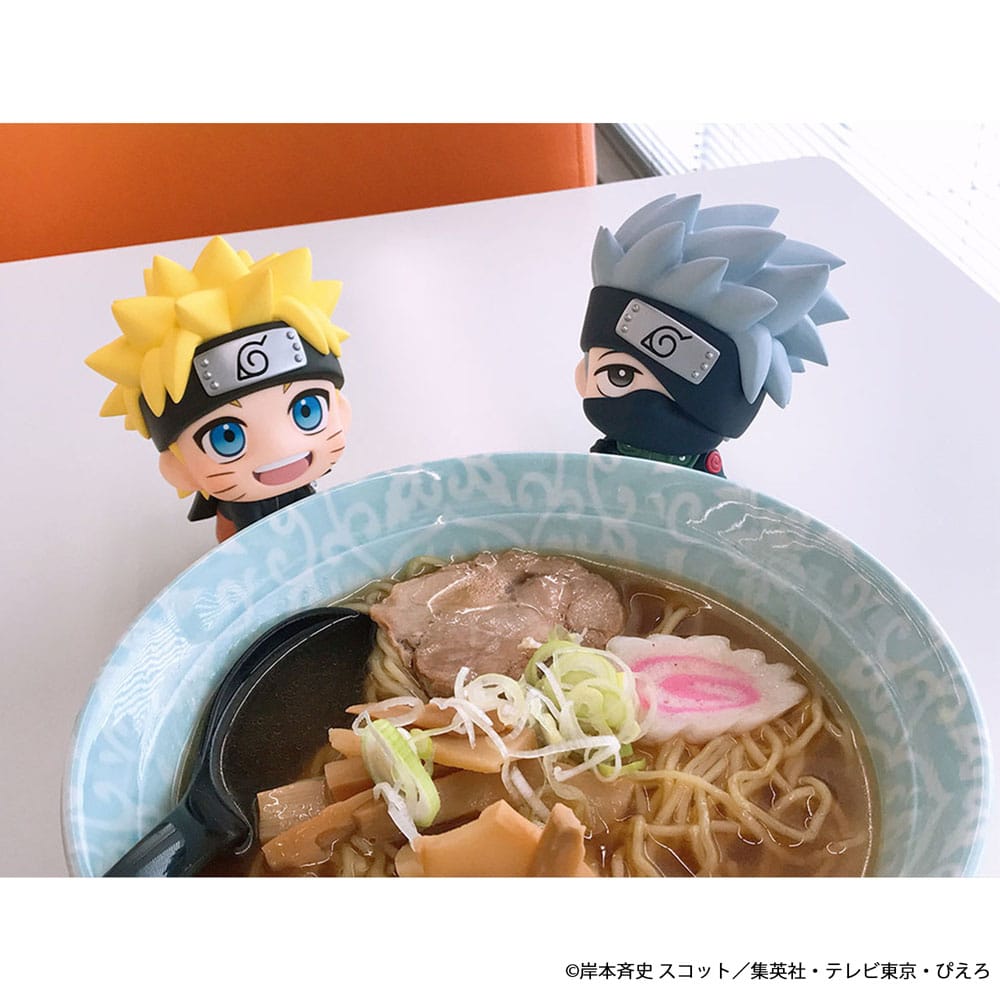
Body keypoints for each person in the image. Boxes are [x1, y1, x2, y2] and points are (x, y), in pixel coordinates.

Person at [86, 236, 351, 542]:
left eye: (308, 410)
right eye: (227, 437)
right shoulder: (235, 510)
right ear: (178, 468)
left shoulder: (309, 494)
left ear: (340, 409)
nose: (281, 446)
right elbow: (229, 546)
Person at [575, 193, 847, 476]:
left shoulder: (703, 475)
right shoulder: (606, 457)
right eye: (619, 375)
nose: (645, 410)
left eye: (620, 375)